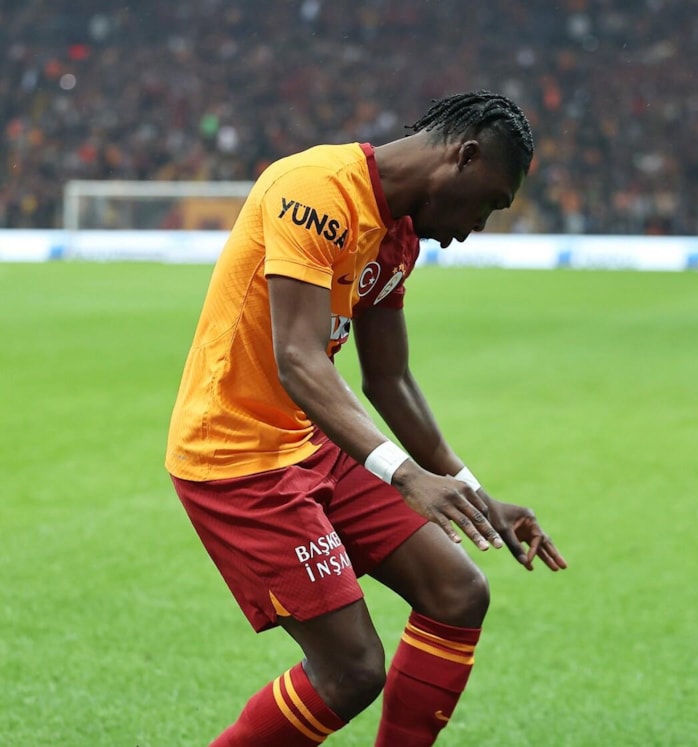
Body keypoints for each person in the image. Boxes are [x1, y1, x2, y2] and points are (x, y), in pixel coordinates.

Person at [166, 90, 567, 746]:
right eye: (489, 204)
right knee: (350, 670)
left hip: (311, 440)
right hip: (237, 454)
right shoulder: (315, 190)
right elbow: (298, 359)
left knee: (458, 593)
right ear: (463, 157)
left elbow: (389, 379)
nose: (477, 228)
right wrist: (404, 476)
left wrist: (470, 489)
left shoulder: (398, 234)